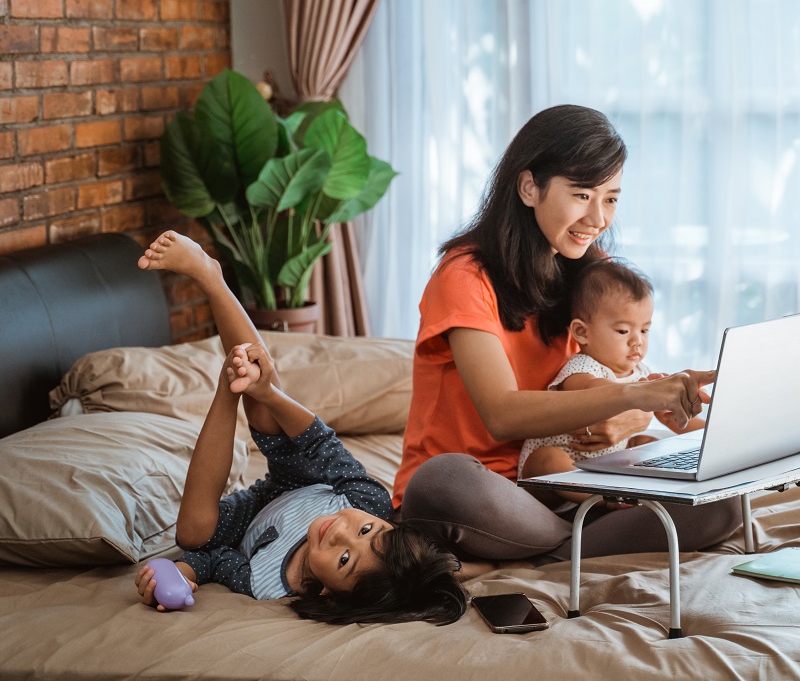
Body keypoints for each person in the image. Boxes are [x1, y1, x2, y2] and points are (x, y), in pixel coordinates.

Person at [395, 104, 742, 564]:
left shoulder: (591, 272)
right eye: (582, 195)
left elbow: (618, 374)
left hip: (569, 485)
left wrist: (666, 401)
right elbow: (502, 414)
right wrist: (631, 399)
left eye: (611, 198)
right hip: (483, 493)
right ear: (529, 187)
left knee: (724, 503)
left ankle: (557, 546)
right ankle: (574, 542)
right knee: (444, 480)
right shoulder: (464, 275)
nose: (598, 217)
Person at [132, 231, 468, 625]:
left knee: (191, 533)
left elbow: (211, 559)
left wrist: (185, 574)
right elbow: (318, 442)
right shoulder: (368, 501)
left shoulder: (266, 584)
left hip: (254, 510)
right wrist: (270, 393)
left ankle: (229, 389)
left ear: (328, 594)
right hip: (304, 476)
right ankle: (211, 278)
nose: (340, 533)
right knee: (263, 409)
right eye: (364, 531)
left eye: (344, 560)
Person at [517, 258, 705, 507]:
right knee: (547, 459)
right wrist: (648, 392)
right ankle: (608, 501)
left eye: (645, 330)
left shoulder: (641, 373)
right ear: (582, 333)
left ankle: (635, 498)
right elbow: (595, 391)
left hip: (602, 472)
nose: (636, 341)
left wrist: (709, 433)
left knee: (649, 445)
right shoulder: (581, 370)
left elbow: (678, 420)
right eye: (623, 331)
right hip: (554, 481)